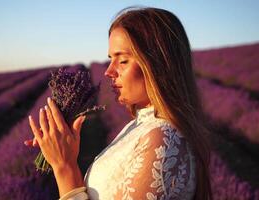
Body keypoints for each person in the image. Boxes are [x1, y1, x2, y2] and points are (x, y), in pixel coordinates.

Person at [25, 6, 212, 200]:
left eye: (122, 61)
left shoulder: (163, 140)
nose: (108, 71)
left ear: (158, 65)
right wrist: (61, 149)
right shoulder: (142, 127)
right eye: (111, 59)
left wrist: (65, 167)